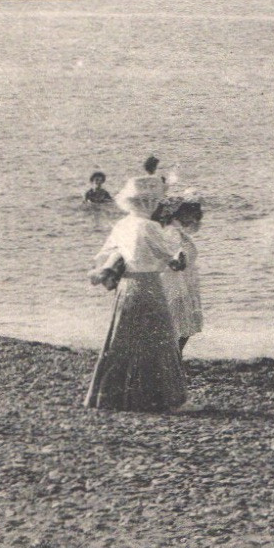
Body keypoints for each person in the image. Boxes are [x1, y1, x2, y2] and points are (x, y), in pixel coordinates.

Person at [84, 176, 189, 412]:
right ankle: (158, 399)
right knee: (157, 340)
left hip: (126, 287)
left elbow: (104, 255)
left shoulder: (122, 225)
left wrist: (106, 270)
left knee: (121, 340)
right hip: (149, 285)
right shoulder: (149, 226)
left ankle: (112, 397)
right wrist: (179, 260)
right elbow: (169, 257)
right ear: (149, 202)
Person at [158, 196, 204, 352]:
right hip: (176, 282)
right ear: (180, 214)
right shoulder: (172, 231)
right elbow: (174, 254)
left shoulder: (177, 230)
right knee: (180, 325)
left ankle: (175, 358)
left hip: (183, 281)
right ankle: (174, 359)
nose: (193, 220)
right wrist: (180, 257)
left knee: (182, 325)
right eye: (190, 214)